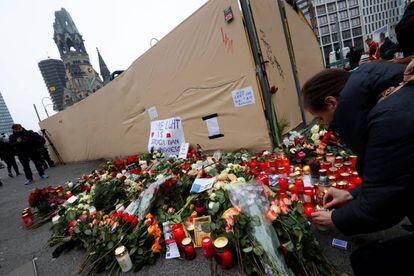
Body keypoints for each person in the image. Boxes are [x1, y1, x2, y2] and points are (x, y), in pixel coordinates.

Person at [301, 61, 414, 275]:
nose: (325, 125)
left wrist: (335, 219)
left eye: (320, 117)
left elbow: (381, 207)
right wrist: (351, 195)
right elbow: (395, 176)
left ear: (331, 102)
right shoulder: (391, 92)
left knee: (365, 261)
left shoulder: (389, 119)